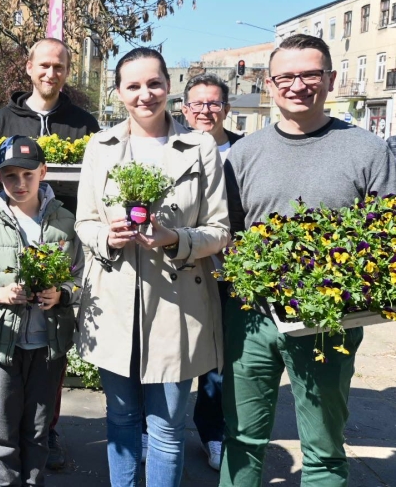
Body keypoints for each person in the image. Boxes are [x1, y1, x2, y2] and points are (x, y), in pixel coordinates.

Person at [221, 34, 396, 487]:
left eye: (310, 74)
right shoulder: (243, 154)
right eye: (286, 77)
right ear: (269, 84)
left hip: (330, 322)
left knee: (323, 449)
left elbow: (387, 234)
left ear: (330, 79)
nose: (298, 85)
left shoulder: (367, 150)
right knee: (242, 440)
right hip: (251, 319)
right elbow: (229, 233)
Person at [75, 47, 230, 487]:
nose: (145, 94)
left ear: (168, 87)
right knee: (121, 418)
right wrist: (107, 237)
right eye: (133, 86)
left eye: (154, 83)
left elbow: (220, 231)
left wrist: (175, 239)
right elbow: (85, 222)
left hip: (177, 306)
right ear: (119, 92)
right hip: (114, 301)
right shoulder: (100, 146)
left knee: (166, 428)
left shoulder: (199, 146)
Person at [0, 38, 100, 467]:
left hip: (59, 234)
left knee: (49, 349)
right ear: (29, 67)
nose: (50, 73)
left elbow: (95, 183)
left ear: (67, 70)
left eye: (59, 66)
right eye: (44, 65)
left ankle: (47, 430)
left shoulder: (83, 122)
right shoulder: (3, 118)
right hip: (6, 239)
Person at [0, 135, 83, 486]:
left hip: (48, 344)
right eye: (10, 175)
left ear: (42, 172)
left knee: (38, 427)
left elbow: (82, 279)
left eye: (28, 174)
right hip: (2, 344)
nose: (20, 183)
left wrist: (61, 294)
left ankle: (33, 481)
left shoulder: (66, 222)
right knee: (2, 427)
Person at [178, 72, 244, 470]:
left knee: (220, 358)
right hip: (180, 266)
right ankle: (157, 428)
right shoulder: (171, 147)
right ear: (185, 109)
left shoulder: (242, 152)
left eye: (214, 103)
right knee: (174, 349)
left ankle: (212, 432)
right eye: (197, 103)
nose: (206, 110)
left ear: (226, 108)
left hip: (228, 269)